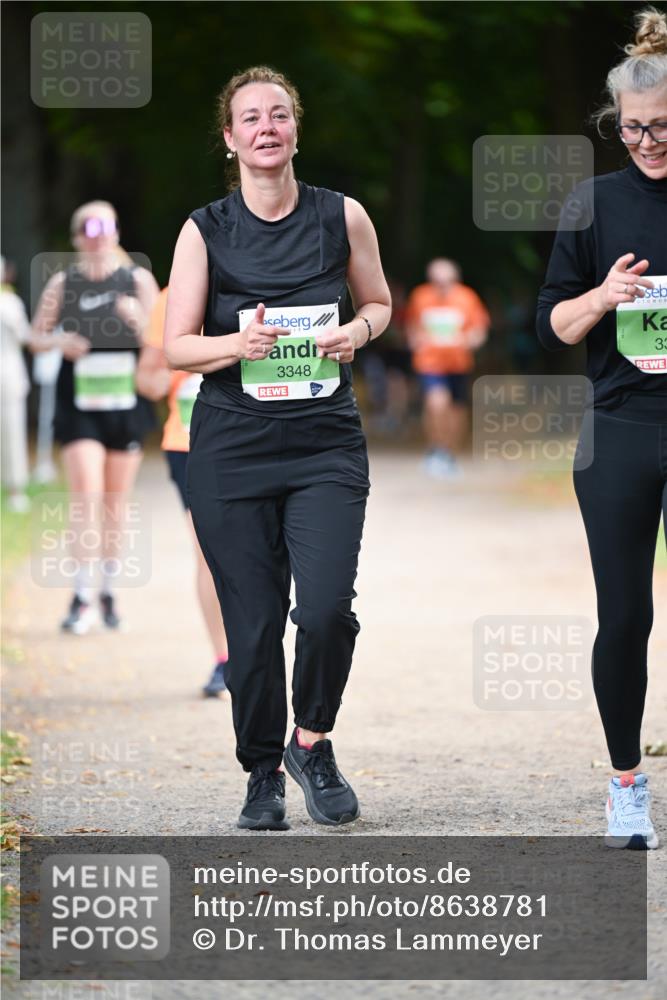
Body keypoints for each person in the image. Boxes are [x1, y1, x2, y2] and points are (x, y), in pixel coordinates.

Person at [164, 66, 391, 831]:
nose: (266, 127)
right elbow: (175, 348)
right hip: (232, 447)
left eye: (279, 115)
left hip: (325, 442)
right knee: (254, 624)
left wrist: (357, 332)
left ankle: (311, 741)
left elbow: (381, 303)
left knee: (325, 610)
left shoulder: (342, 216)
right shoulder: (204, 229)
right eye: (250, 119)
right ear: (229, 141)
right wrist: (237, 342)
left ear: (295, 129)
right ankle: (260, 773)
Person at [537, 7, 667, 850]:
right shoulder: (594, 202)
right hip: (620, 427)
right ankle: (625, 783)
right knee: (624, 615)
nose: (646, 143)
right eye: (631, 131)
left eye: (660, 128)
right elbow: (554, 322)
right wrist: (600, 297)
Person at [30, 200, 159, 634]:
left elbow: (163, 340)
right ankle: (81, 595)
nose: (98, 234)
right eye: (89, 226)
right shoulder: (63, 283)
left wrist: (139, 322)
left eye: (105, 226)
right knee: (86, 492)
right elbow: (35, 335)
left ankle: (109, 591)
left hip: (125, 402)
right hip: (79, 401)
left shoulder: (137, 280)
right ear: (76, 237)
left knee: (114, 504)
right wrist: (59, 340)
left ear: (117, 233)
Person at [136, 287, 230, 698]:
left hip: (255, 439)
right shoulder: (171, 297)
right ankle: (225, 661)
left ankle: (261, 653)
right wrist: (183, 363)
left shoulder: (270, 274)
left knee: (264, 551)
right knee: (209, 555)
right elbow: (148, 381)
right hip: (189, 442)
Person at [406, 258, 490, 479]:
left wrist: (468, 340)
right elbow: (412, 326)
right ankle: (436, 449)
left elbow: (479, 330)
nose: (441, 286)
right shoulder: (420, 296)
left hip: (458, 363)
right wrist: (415, 339)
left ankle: (449, 453)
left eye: (446, 281)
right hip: (429, 362)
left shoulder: (467, 297)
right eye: (436, 281)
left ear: (455, 279)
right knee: (436, 402)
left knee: (457, 410)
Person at [0, 257, 31, 513]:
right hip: (8, 375)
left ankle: (15, 488)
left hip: (8, 376)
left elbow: (24, 336)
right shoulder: (9, 302)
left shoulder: (9, 302)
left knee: (12, 432)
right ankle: (14, 489)